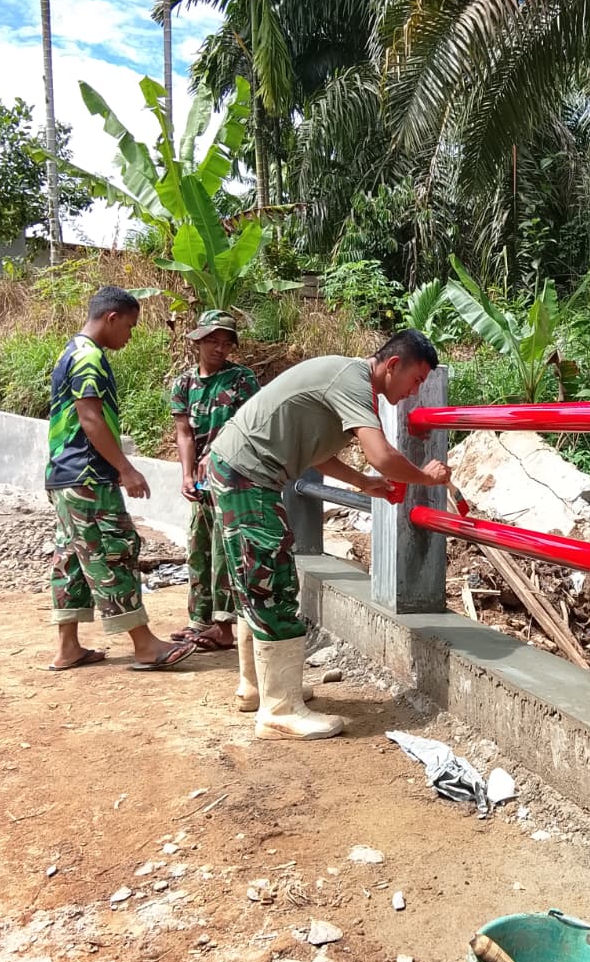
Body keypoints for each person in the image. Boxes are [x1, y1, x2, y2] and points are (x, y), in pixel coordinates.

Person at [207, 328, 451, 741]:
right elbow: (384, 455)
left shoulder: (348, 380)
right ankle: (279, 710)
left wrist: (364, 483)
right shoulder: (354, 382)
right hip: (247, 477)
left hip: (240, 471)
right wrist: (424, 477)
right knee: (271, 581)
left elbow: (317, 450)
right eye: (417, 379)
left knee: (254, 579)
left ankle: (258, 688)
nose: (416, 390)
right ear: (393, 365)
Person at [45, 286, 196, 672]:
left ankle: (68, 648)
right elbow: (90, 418)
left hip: (65, 475)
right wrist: (125, 468)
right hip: (87, 475)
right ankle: (144, 645)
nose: (129, 335)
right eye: (129, 326)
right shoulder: (88, 358)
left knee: (74, 557)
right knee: (114, 549)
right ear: (111, 318)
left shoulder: (70, 350)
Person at [169, 310, 260, 652]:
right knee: (198, 543)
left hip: (233, 477)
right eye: (212, 341)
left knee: (225, 548)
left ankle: (224, 625)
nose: (219, 349)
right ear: (197, 341)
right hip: (202, 480)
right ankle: (199, 618)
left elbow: (247, 426)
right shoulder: (183, 384)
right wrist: (187, 473)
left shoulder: (242, 379)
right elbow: (184, 434)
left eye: (225, 343)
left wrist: (216, 454)